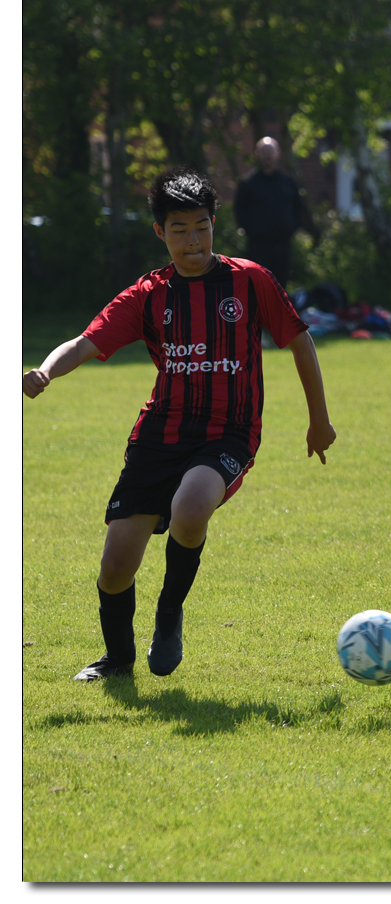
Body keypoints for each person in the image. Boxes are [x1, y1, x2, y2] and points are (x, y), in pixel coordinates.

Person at [22, 168, 337, 681]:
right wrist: (46, 371)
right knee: (116, 565)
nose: (193, 241)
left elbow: (299, 340)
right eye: (179, 230)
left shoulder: (249, 280)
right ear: (159, 233)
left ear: (215, 224)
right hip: (159, 433)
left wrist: (318, 420)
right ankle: (117, 660)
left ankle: (169, 613)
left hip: (228, 431)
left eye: (202, 227)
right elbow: (85, 341)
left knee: (191, 508)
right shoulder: (149, 295)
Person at [233, 137, 302, 289]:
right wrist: (252, 230)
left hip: (283, 245)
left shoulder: (287, 182)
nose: (268, 156)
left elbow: (299, 208)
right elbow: (239, 210)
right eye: (264, 152)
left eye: (270, 151)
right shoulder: (248, 183)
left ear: (278, 153)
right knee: (257, 285)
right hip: (258, 246)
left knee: (280, 287)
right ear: (257, 154)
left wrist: (291, 229)